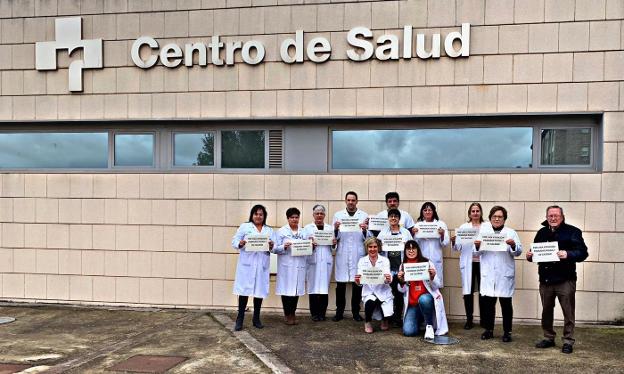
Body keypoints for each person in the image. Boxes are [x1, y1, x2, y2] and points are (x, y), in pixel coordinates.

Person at [527, 205, 588, 354]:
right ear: (547, 217)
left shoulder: (572, 231)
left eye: (556, 216)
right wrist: (530, 256)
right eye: (550, 216)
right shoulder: (541, 232)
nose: (553, 218)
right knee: (546, 311)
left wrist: (568, 254)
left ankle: (568, 340)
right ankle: (548, 337)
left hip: (565, 279)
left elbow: (583, 253)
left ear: (562, 217)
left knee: (568, 311)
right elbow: (536, 253)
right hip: (546, 279)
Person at [475, 206, 522, 342]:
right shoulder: (484, 232)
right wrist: (477, 245)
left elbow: (518, 251)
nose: (497, 219)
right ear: (490, 218)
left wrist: (513, 245)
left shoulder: (511, 233)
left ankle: (507, 332)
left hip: (504, 274)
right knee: (488, 304)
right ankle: (488, 330)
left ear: (504, 219)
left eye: (500, 217)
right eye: (494, 216)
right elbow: (476, 252)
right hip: (489, 274)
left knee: (506, 304)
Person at [231, 204, 275, 331]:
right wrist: (240, 243)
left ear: (264, 216)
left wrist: (272, 245)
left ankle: (256, 318)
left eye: (261, 214)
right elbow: (234, 241)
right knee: (244, 292)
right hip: (247, 265)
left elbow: (276, 246)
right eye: (256, 214)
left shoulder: (269, 230)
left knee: (259, 292)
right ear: (252, 215)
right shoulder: (245, 227)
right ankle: (240, 319)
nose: (258, 216)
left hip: (261, 265)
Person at [397, 240, 449, 340]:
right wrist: (401, 281)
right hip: (413, 305)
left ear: (418, 250)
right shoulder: (403, 266)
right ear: (405, 251)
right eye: (408, 249)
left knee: (424, 299)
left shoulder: (427, 263)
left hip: (427, 301)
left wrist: (432, 277)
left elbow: (437, 285)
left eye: (413, 248)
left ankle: (429, 325)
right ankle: (421, 320)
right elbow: (401, 290)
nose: (411, 251)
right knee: (408, 331)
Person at [332, 191, 369, 322]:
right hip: (343, 253)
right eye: (348, 200)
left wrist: (365, 230)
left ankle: (356, 312)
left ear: (357, 201)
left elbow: (367, 238)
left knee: (357, 285)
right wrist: (336, 229)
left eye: (353, 200)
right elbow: (334, 238)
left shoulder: (363, 215)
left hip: (357, 253)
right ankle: (339, 312)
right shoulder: (338, 215)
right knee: (340, 286)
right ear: (345, 201)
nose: (351, 202)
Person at [375, 208, 412, 327]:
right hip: (388, 270)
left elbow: (412, 248)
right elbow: (378, 249)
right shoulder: (383, 233)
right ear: (388, 218)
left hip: (400, 269)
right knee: (387, 294)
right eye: (391, 216)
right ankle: (387, 318)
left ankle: (398, 318)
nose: (393, 218)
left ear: (399, 219)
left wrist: (407, 246)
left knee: (399, 295)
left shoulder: (406, 232)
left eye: (396, 216)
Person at [451, 202, 485, 330]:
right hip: (468, 262)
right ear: (469, 213)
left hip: (483, 262)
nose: (475, 213)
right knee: (468, 292)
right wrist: (454, 241)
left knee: (484, 292)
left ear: (481, 212)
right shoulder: (464, 227)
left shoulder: (486, 226)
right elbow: (458, 247)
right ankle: (469, 319)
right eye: (473, 211)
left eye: (477, 211)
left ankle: (484, 319)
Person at [274, 207, 308, 325]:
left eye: (296, 217)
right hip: (286, 265)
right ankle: (287, 313)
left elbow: (307, 248)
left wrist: (312, 246)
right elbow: (274, 249)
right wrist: (284, 246)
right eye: (292, 217)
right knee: (286, 290)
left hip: (299, 265)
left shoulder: (304, 232)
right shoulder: (281, 232)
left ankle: (293, 313)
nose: (294, 219)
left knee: (296, 291)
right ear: (288, 218)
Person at [303, 204, 336, 321]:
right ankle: (314, 314)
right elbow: (303, 245)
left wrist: (333, 243)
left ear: (324, 215)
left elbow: (333, 248)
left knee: (324, 288)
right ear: (313, 215)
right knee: (313, 287)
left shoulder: (329, 228)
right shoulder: (307, 228)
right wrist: (309, 243)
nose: (319, 215)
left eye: (321, 213)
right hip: (313, 260)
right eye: (317, 213)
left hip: (326, 259)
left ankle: (322, 314)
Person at [354, 237, 393, 333]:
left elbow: (388, 276)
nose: (372, 249)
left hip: (383, 290)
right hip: (369, 291)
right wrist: (358, 281)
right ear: (367, 248)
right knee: (370, 301)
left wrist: (388, 279)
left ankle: (385, 320)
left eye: (375, 247)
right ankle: (367, 322)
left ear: (378, 248)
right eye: (370, 247)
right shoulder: (362, 261)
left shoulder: (385, 260)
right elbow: (360, 279)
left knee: (384, 301)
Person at [413, 202, 450, 287]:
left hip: (436, 258)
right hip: (422, 258)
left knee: (435, 284)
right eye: (425, 210)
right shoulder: (418, 225)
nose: (427, 212)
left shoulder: (440, 224)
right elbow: (414, 244)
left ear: (433, 211)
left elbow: (445, 243)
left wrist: (442, 235)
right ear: (422, 212)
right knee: (423, 285)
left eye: (430, 210)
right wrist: (414, 234)